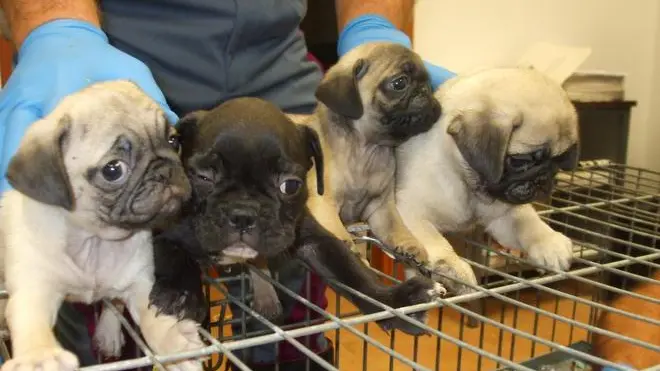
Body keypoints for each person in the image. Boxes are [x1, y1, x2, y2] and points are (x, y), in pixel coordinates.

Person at [0, 1, 455, 370]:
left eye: (289, 185)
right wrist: (52, 25)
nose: (243, 213)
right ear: (183, 154)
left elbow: (318, 244)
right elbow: (159, 239)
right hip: (135, 66)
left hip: (279, 73)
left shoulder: (303, 139)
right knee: (117, 326)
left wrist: (375, 34)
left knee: (290, 329)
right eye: (205, 176)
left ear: (315, 165)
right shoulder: (160, 158)